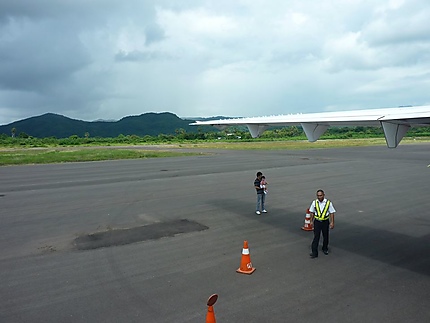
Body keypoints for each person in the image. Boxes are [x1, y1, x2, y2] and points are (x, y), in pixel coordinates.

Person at [309, 189, 336, 258]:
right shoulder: (314, 202)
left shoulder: (328, 203)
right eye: (318, 196)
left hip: (325, 222)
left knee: (325, 236)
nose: (319, 197)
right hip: (317, 222)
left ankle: (325, 248)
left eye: (320, 195)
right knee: (316, 237)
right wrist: (311, 221)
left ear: (323, 195)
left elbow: (331, 212)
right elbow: (312, 212)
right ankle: (314, 252)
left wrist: (332, 222)